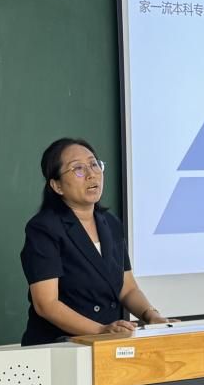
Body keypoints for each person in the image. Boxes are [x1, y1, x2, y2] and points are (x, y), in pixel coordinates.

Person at [20, 137, 170, 345]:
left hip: (109, 344)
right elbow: (46, 304)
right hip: (60, 346)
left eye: (94, 164)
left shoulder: (110, 223)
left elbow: (127, 289)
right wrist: (100, 330)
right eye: (78, 169)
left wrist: (151, 314)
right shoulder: (44, 229)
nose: (91, 174)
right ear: (57, 186)